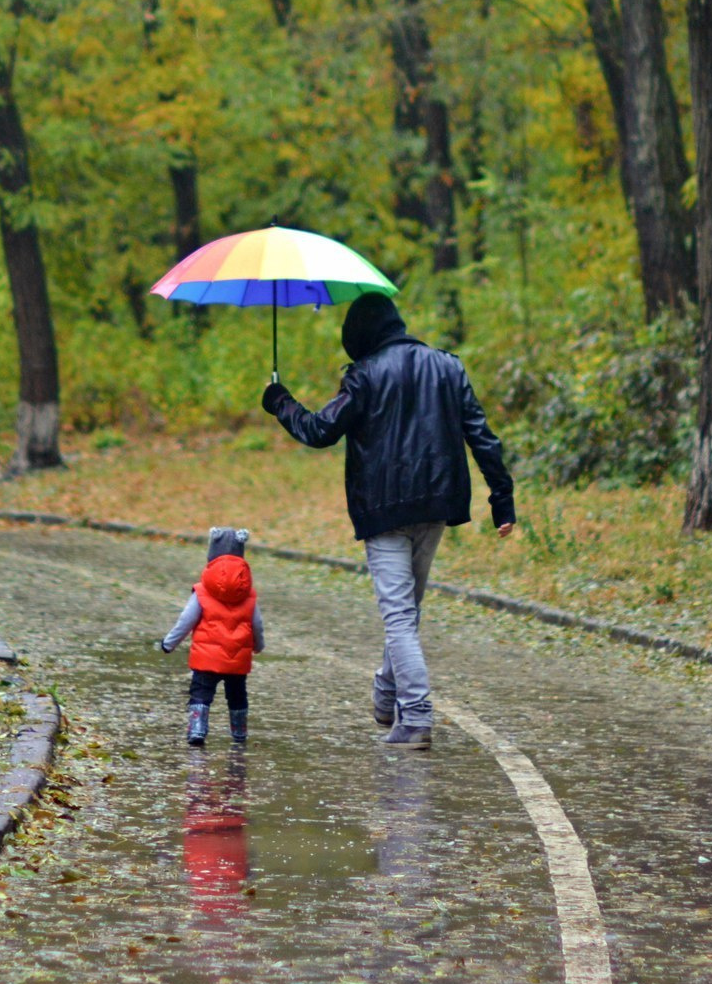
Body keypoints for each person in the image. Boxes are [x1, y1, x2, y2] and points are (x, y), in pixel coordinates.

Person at [262, 293, 514, 749]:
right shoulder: (447, 366)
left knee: (399, 617)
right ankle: (385, 694)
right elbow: (481, 434)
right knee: (406, 613)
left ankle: (415, 717)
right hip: (437, 503)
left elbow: (320, 430)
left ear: (359, 336)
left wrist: (281, 401)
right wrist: (503, 498)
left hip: (382, 509)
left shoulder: (364, 375)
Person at [158, 527, 264, 746]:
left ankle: (197, 730)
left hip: (206, 658)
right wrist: (258, 645)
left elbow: (186, 621)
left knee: (201, 692)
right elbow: (257, 624)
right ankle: (239, 731)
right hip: (237, 659)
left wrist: (168, 644)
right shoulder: (248, 594)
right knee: (237, 694)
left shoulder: (202, 591)